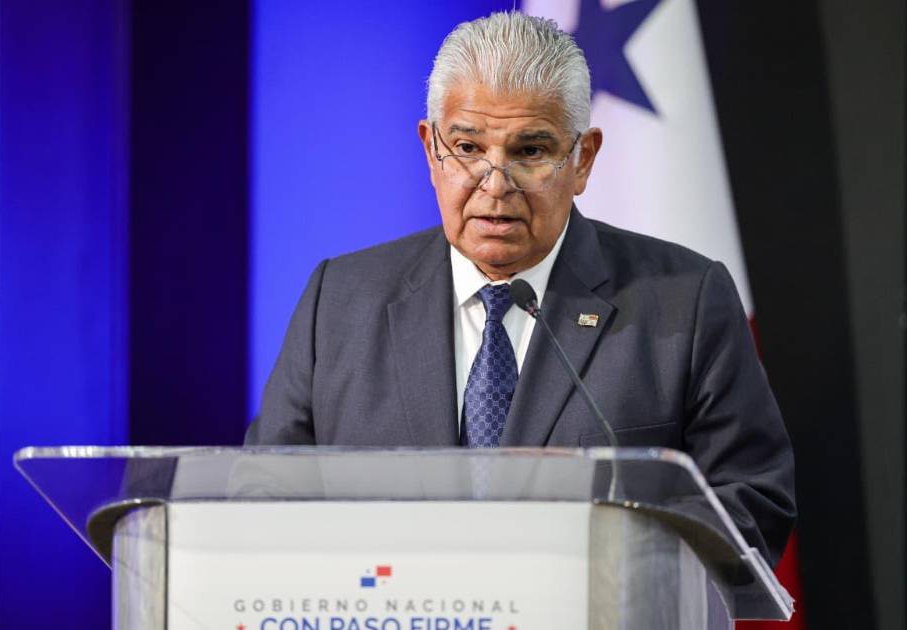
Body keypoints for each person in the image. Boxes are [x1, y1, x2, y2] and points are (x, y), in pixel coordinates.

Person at [244, 12, 795, 566]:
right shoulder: (338, 300)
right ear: (430, 149)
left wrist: (609, 569)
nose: (495, 184)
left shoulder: (684, 301)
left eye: (530, 152)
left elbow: (751, 502)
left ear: (583, 159)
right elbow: (261, 495)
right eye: (467, 147)